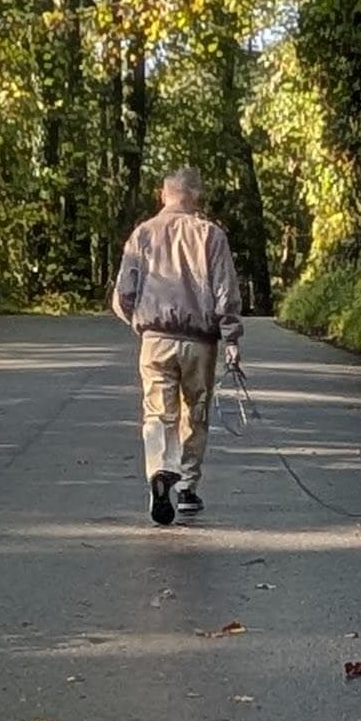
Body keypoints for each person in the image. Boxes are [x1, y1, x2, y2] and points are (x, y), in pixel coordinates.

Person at [111, 168, 243, 526]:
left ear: (162, 195)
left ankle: (158, 471)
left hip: (155, 339)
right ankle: (186, 487)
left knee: (157, 413)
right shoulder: (210, 235)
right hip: (200, 342)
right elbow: (225, 292)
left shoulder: (142, 234)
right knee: (194, 413)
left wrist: (140, 324)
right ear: (196, 196)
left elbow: (123, 294)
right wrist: (230, 338)